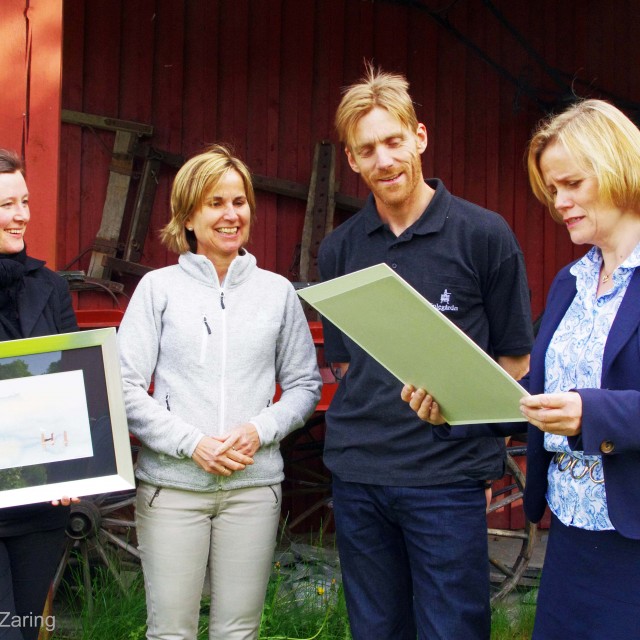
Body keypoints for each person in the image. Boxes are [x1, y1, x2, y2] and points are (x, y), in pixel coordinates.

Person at [404, 99, 640, 639]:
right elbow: (537, 394)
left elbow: (582, 406)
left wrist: (591, 412)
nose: (560, 203)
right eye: (553, 190)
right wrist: (455, 404)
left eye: (572, 184)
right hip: (571, 531)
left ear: (618, 167)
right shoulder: (571, 282)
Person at [317, 65, 533, 640]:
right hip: (359, 474)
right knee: (376, 630)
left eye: (394, 141)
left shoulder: (484, 235)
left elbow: (515, 364)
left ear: (420, 137)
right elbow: (346, 363)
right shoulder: (340, 248)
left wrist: (459, 412)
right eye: (369, 149)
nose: (385, 160)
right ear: (352, 160)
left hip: (446, 478)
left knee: (451, 630)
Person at [117, 144, 322, 640]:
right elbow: (122, 387)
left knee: (238, 630)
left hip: (253, 490)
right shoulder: (158, 290)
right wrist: (193, 443)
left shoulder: (277, 293)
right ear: (188, 216)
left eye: (239, 202)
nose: (231, 215)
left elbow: (303, 385)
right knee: (170, 630)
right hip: (172, 489)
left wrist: (258, 429)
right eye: (215, 203)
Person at [0, 149, 78, 640]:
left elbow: (73, 386)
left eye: (24, 201)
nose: (22, 215)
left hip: (38, 505)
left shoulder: (50, 287)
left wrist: (75, 466)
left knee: (25, 630)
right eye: (7, 204)